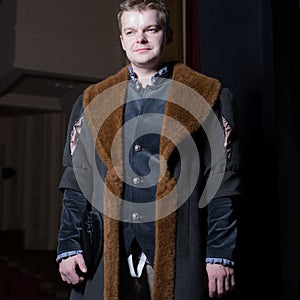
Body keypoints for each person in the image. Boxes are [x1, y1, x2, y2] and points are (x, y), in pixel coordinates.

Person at [56, 0, 243, 299]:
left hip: (180, 253)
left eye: (150, 29)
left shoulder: (210, 97)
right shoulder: (91, 101)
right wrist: (69, 244)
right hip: (106, 255)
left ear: (167, 34)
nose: (140, 39)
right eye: (130, 31)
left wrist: (219, 254)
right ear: (121, 39)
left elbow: (222, 183)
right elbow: (77, 181)